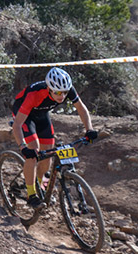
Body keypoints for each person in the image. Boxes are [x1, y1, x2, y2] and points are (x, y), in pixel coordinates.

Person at [11, 67, 98, 209]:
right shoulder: (35, 94)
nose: (62, 96)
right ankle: (31, 195)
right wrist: (23, 147)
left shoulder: (66, 89)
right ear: (49, 88)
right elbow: (17, 125)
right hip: (24, 115)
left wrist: (89, 129)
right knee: (33, 152)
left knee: (48, 155)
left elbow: (81, 109)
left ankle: (41, 187)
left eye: (64, 92)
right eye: (57, 92)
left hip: (42, 114)